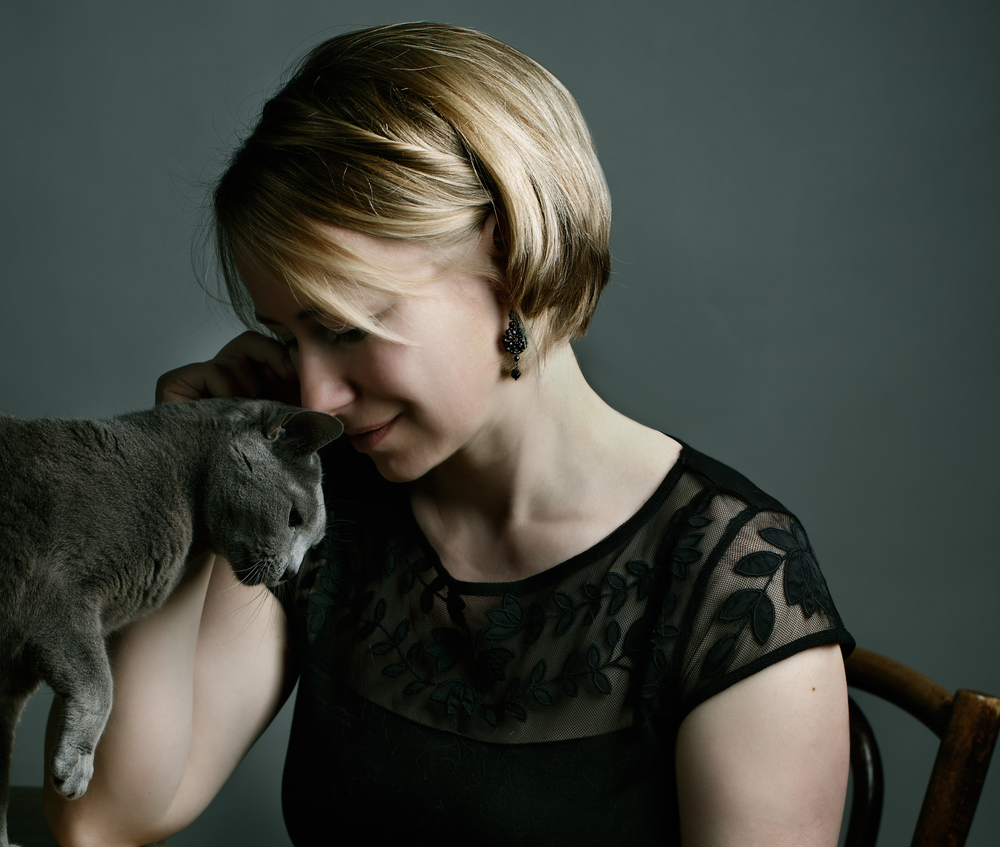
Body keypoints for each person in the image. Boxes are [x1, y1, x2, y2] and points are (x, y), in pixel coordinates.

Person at [45, 22, 854, 847]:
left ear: (509, 255)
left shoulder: (739, 586)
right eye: (291, 340)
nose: (317, 393)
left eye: (349, 327)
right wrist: (183, 463)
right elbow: (103, 816)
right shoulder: (326, 505)